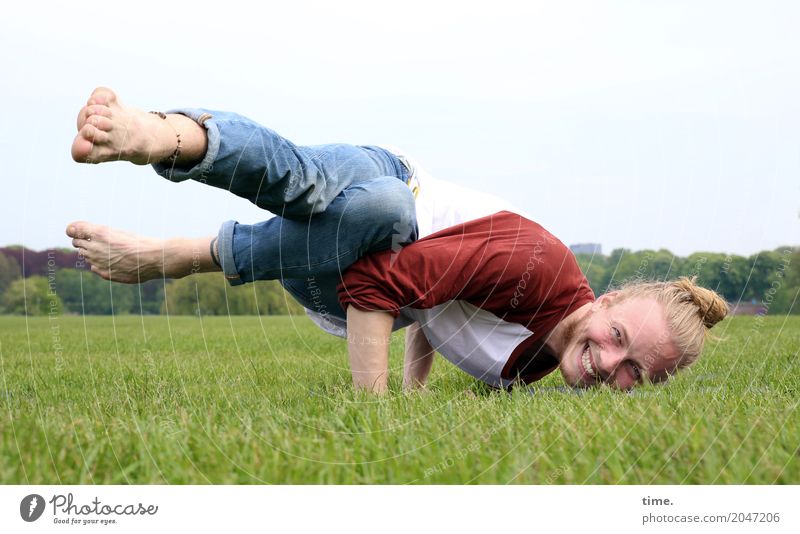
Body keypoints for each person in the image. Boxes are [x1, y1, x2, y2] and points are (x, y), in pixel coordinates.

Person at [68, 87, 729, 394]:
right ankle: (163, 136)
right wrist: (377, 410)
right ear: (610, 301)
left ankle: (177, 239)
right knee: (357, 197)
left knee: (354, 215)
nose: (611, 365)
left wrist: (416, 386)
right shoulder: (537, 267)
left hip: (337, 275)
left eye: (635, 373)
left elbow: (435, 305)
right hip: (389, 182)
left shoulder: (535, 367)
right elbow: (384, 286)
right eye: (620, 341)